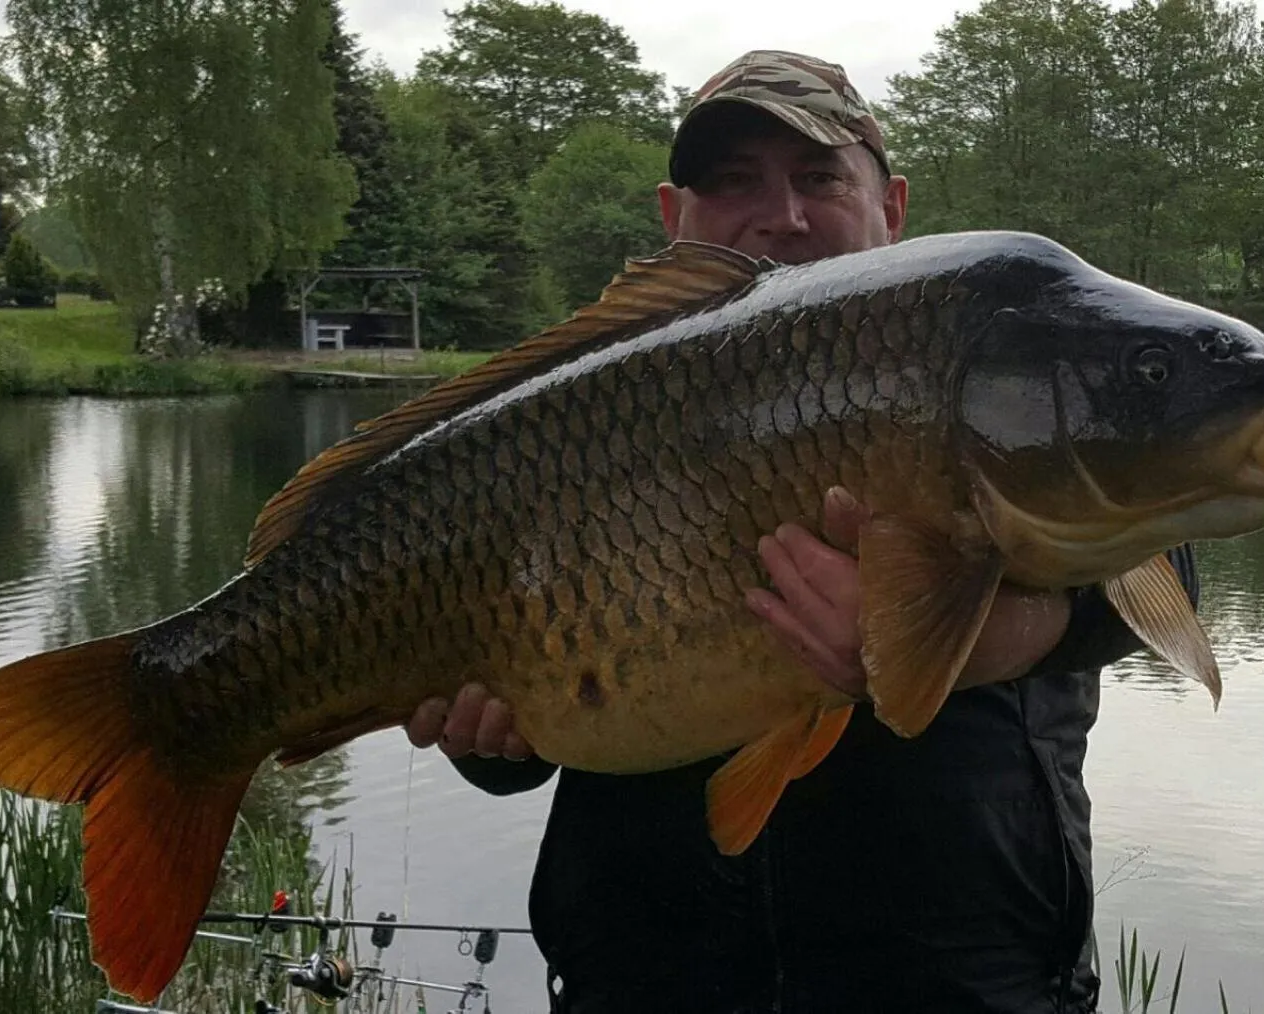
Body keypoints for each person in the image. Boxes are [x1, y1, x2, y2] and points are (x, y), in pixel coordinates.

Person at [406, 50, 1200, 1014]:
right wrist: (488, 742)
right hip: (645, 976)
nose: (780, 215)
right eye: (734, 181)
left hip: (962, 976)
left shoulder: (994, 350)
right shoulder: (580, 408)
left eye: (819, 177)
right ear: (674, 219)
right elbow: (508, 739)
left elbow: (1161, 555)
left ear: (892, 206)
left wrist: (983, 636)